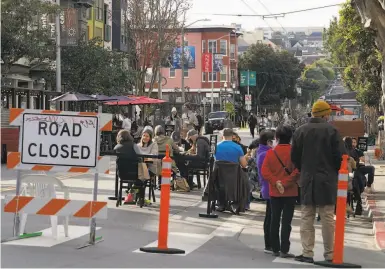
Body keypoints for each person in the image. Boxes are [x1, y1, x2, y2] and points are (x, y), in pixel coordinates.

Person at [291, 100, 345, 263]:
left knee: (307, 215)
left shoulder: (300, 131)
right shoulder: (332, 131)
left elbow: (294, 157)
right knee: (327, 217)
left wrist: (305, 169)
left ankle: (307, 252)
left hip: (307, 178)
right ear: (326, 114)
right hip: (327, 180)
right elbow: (340, 157)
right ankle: (329, 254)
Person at [261, 125, 299, 258]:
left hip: (275, 192)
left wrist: (276, 182)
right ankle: (284, 249)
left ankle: (275, 248)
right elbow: (297, 170)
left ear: (276, 138)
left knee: (274, 220)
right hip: (290, 191)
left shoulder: (271, 153)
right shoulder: (294, 152)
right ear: (291, 137)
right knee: (287, 222)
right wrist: (286, 183)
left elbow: (265, 171)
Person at [257, 130, 275, 254]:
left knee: (270, 215)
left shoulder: (261, 151)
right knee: (271, 217)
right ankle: (269, 244)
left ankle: (269, 243)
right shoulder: (266, 153)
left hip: (267, 187)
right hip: (270, 188)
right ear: (269, 141)